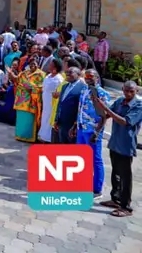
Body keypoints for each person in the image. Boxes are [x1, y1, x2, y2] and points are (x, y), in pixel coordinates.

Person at [94, 81, 142, 217]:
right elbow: (106, 115)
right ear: (122, 89)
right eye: (126, 91)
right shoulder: (120, 101)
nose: (128, 94)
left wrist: (106, 108)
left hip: (126, 145)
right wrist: (98, 105)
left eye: (131, 91)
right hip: (115, 142)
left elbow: (125, 121)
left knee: (125, 176)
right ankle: (115, 199)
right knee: (115, 172)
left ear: (136, 91)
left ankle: (126, 207)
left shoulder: (138, 105)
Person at [77, 70, 110, 198]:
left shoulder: (102, 93)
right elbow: (80, 109)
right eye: (86, 76)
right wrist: (75, 125)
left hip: (93, 130)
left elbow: (104, 115)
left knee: (95, 159)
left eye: (90, 76)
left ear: (97, 77)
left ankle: (97, 189)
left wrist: (97, 132)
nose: (88, 78)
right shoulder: (84, 90)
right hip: (81, 128)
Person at [13, 56, 45, 143]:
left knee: (29, 119)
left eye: (34, 64)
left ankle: (30, 137)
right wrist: (11, 74)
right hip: (22, 100)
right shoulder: (24, 73)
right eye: (30, 64)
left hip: (32, 101)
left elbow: (42, 87)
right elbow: (17, 81)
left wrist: (31, 88)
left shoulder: (41, 74)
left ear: (38, 65)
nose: (32, 65)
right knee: (21, 119)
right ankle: (20, 136)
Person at [54, 67, 86, 144]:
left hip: (72, 124)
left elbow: (81, 108)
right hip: (62, 122)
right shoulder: (64, 86)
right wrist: (56, 119)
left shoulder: (83, 88)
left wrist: (76, 123)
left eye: (70, 72)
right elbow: (60, 103)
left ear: (78, 74)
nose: (67, 74)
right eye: (66, 72)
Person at [38, 59, 64, 143]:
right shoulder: (48, 76)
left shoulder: (59, 78)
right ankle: (43, 136)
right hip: (45, 100)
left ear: (55, 67)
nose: (49, 65)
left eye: (51, 64)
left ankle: (48, 138)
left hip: (52, 102)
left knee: (49, 118)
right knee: (44, 117)